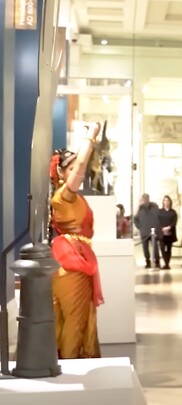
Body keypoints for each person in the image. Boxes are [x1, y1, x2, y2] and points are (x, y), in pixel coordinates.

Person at [49, 123, 104, 359]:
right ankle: (72, 363)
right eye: (69, 169)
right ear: (61, 173)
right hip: (72, 260)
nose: (76, 173)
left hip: (77, 256)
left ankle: (73, 359)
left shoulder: (70, 197)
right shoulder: (64, 196)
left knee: (78, 314)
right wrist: (90, 137)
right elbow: (82, 164)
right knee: (76, 315)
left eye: (75, 169)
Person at [134, 193, 160, 268]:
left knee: (155, 247)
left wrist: (157, 227)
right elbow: (135, 220)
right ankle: (147, 261)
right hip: (144, 232)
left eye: (146, 198)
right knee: (145, 248)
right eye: (144, 198)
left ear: (149, 198)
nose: (145, 199)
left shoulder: (154, 206)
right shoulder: (140, 208)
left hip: (153, 231)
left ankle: (157, 261)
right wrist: (140, 227)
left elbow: (158, 216)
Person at [158, 195, 178, 270]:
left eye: (167, 200)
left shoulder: (173, 212)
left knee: (169, 249)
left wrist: (169, 227)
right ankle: (165, 261)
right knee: (162, 248)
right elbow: (158, 221)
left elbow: (174, 222)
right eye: (165, 200)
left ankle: (167, 264)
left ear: (170, 202)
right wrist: (162, 229)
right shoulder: (160, 212)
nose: (166, 202)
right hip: (162, 233)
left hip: (170, 233)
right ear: (163, 202)